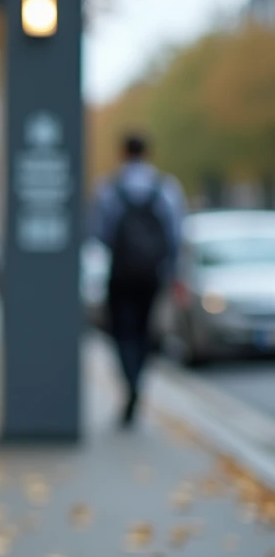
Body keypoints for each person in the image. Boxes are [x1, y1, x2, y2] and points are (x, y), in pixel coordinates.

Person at [92, 132, 185, 428]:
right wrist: (170, 270)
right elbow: (175, 235)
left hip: (121, 272)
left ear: (122, 153)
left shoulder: (110, 188)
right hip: (151, 273)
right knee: (145, 331)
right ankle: (138, 382)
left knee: (122, 332)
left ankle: (129, 381)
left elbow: (100, 233)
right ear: (148, 153)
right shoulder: (166, 188)